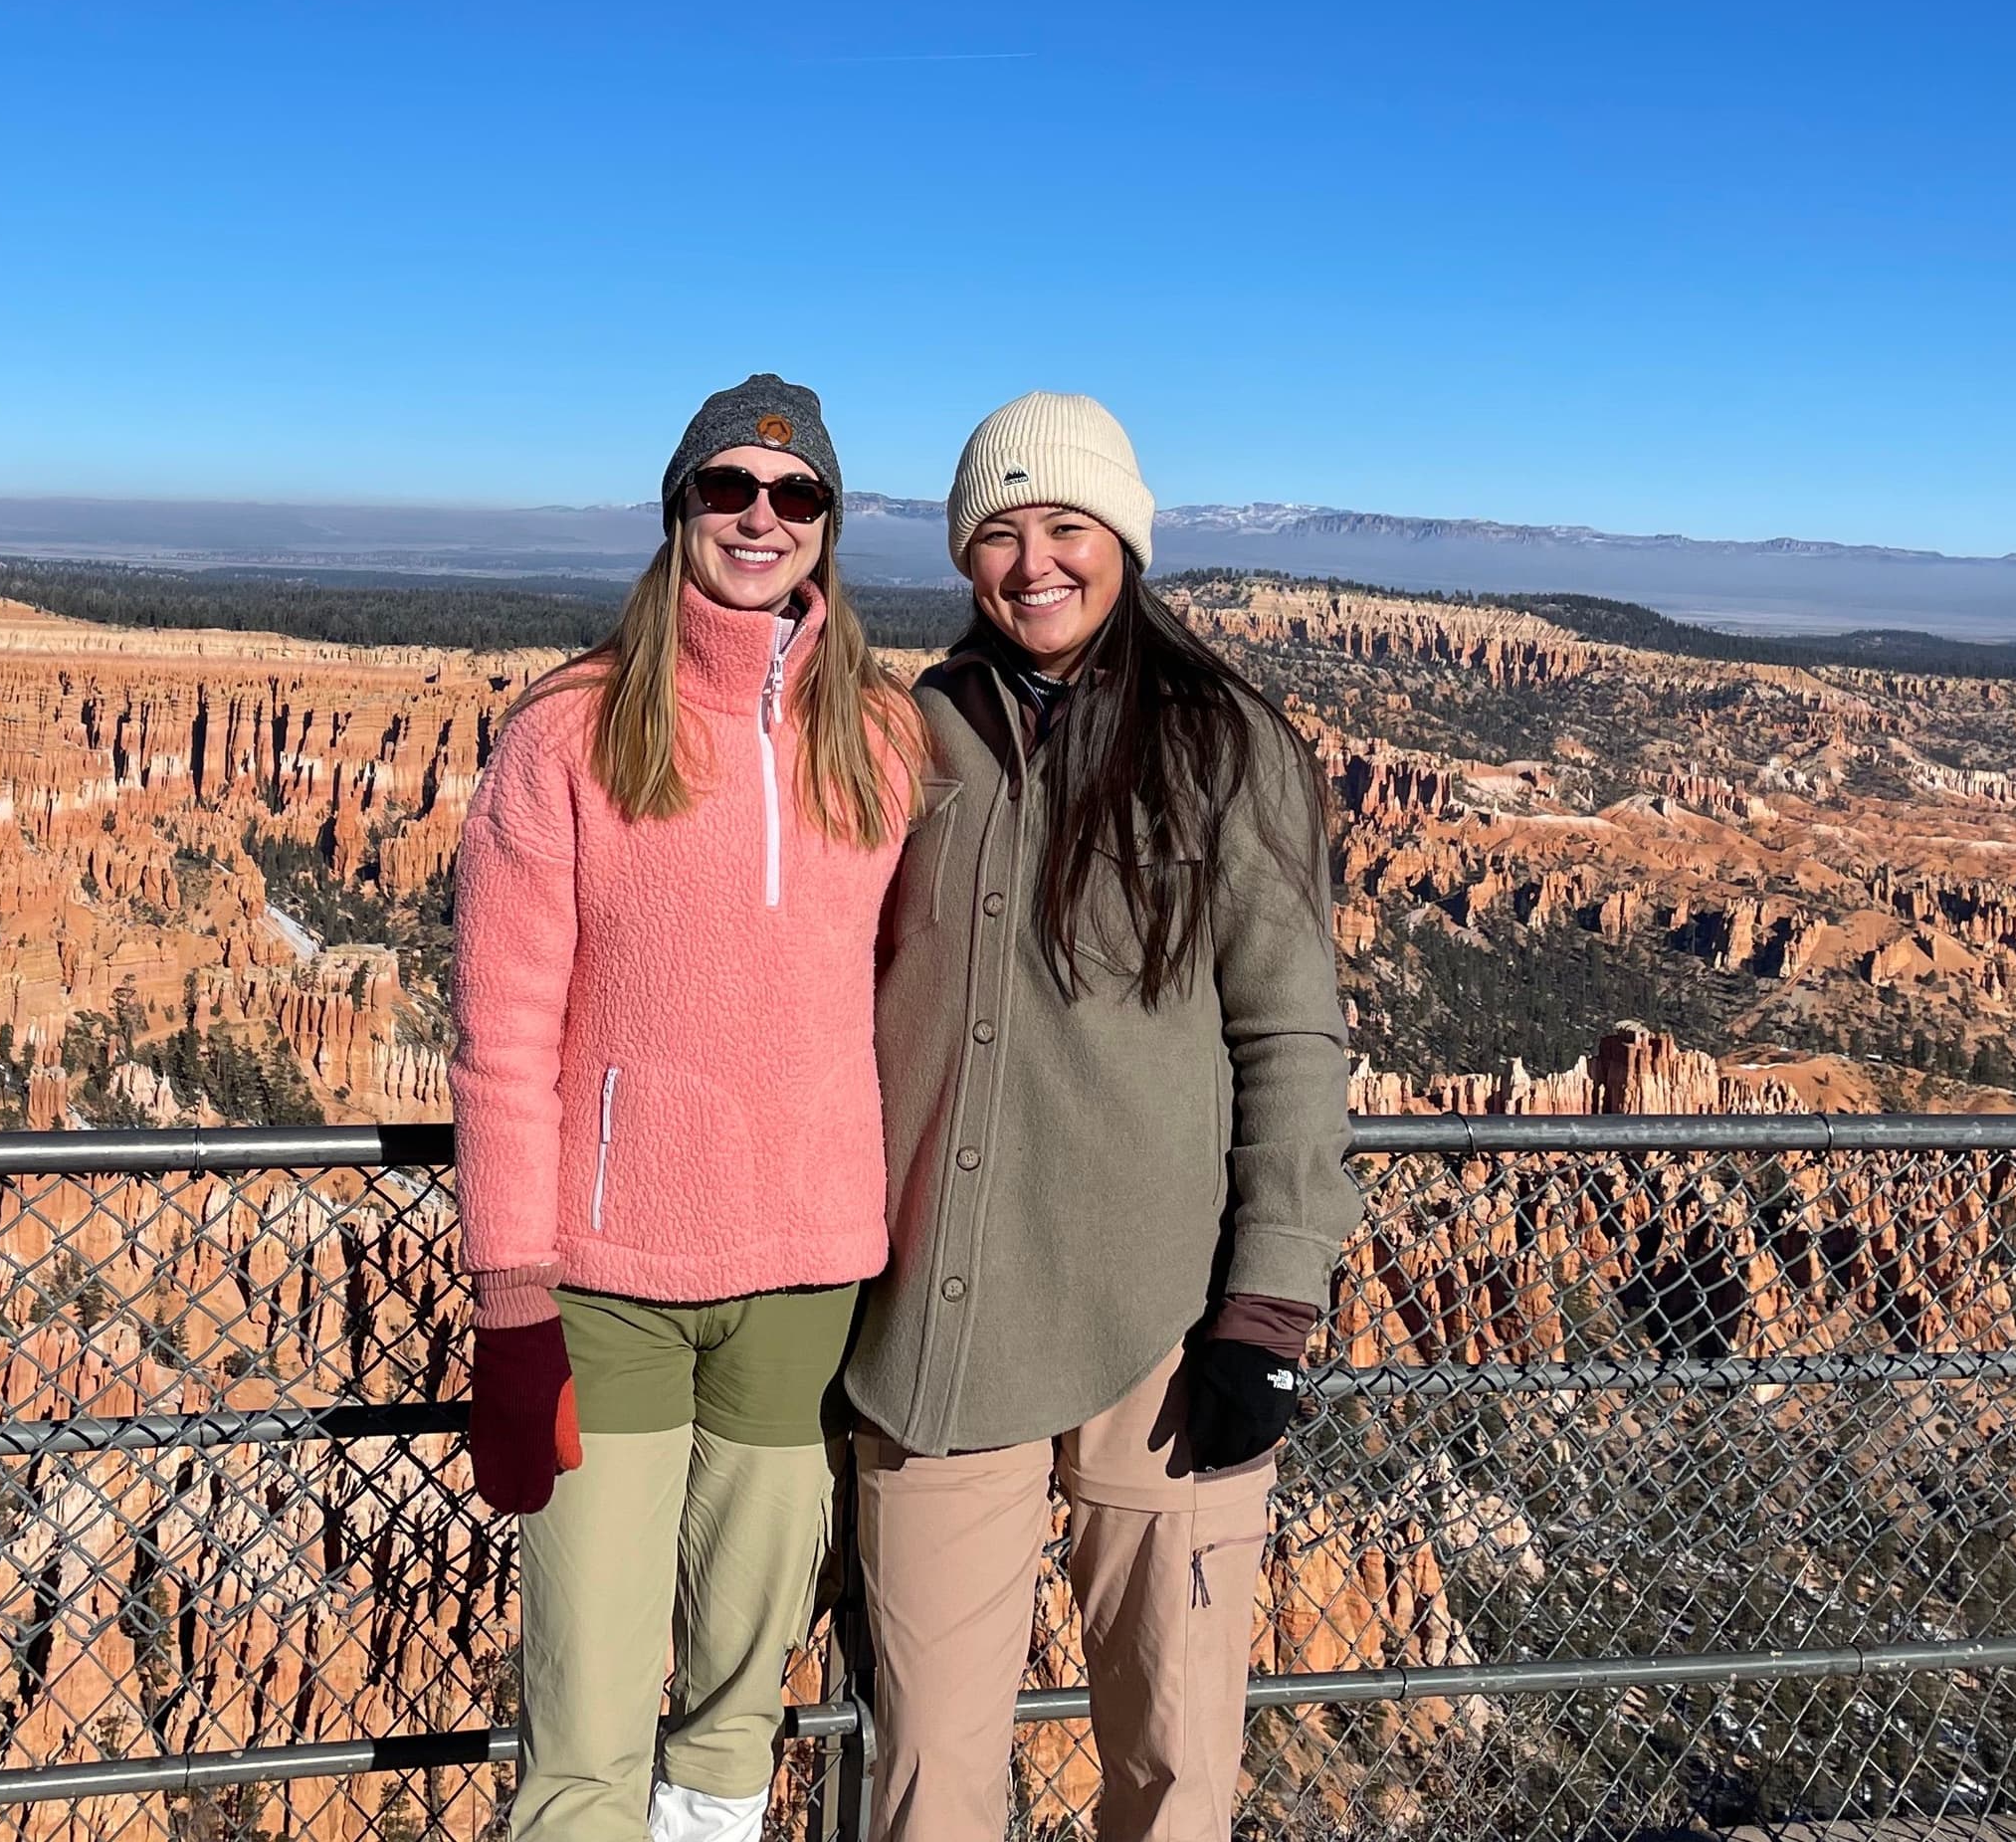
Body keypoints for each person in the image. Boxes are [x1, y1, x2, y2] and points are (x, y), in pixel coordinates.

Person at [845, 391, 1359, 1842]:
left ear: (1123, 539)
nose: (1033, 563)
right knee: (929, 1781)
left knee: (1174, 1766)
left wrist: (1270, 1301)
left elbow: (1290, 1035)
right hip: (941, 1331)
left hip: (1165, 1327)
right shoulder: (911, 733)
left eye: (1065, 526)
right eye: (998, 535)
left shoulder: (1222, 742)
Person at [451, 373, 925, 1842]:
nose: (760, 518)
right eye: (729, 489)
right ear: (679, 511)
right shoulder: (569, 734)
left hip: (803, 1280)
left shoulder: (888, 739)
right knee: (587, 1705)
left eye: (796, 497)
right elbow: (502, 1033)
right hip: (610, 1290)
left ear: (832, 528)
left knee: (735, 1706)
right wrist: (508, 1298)